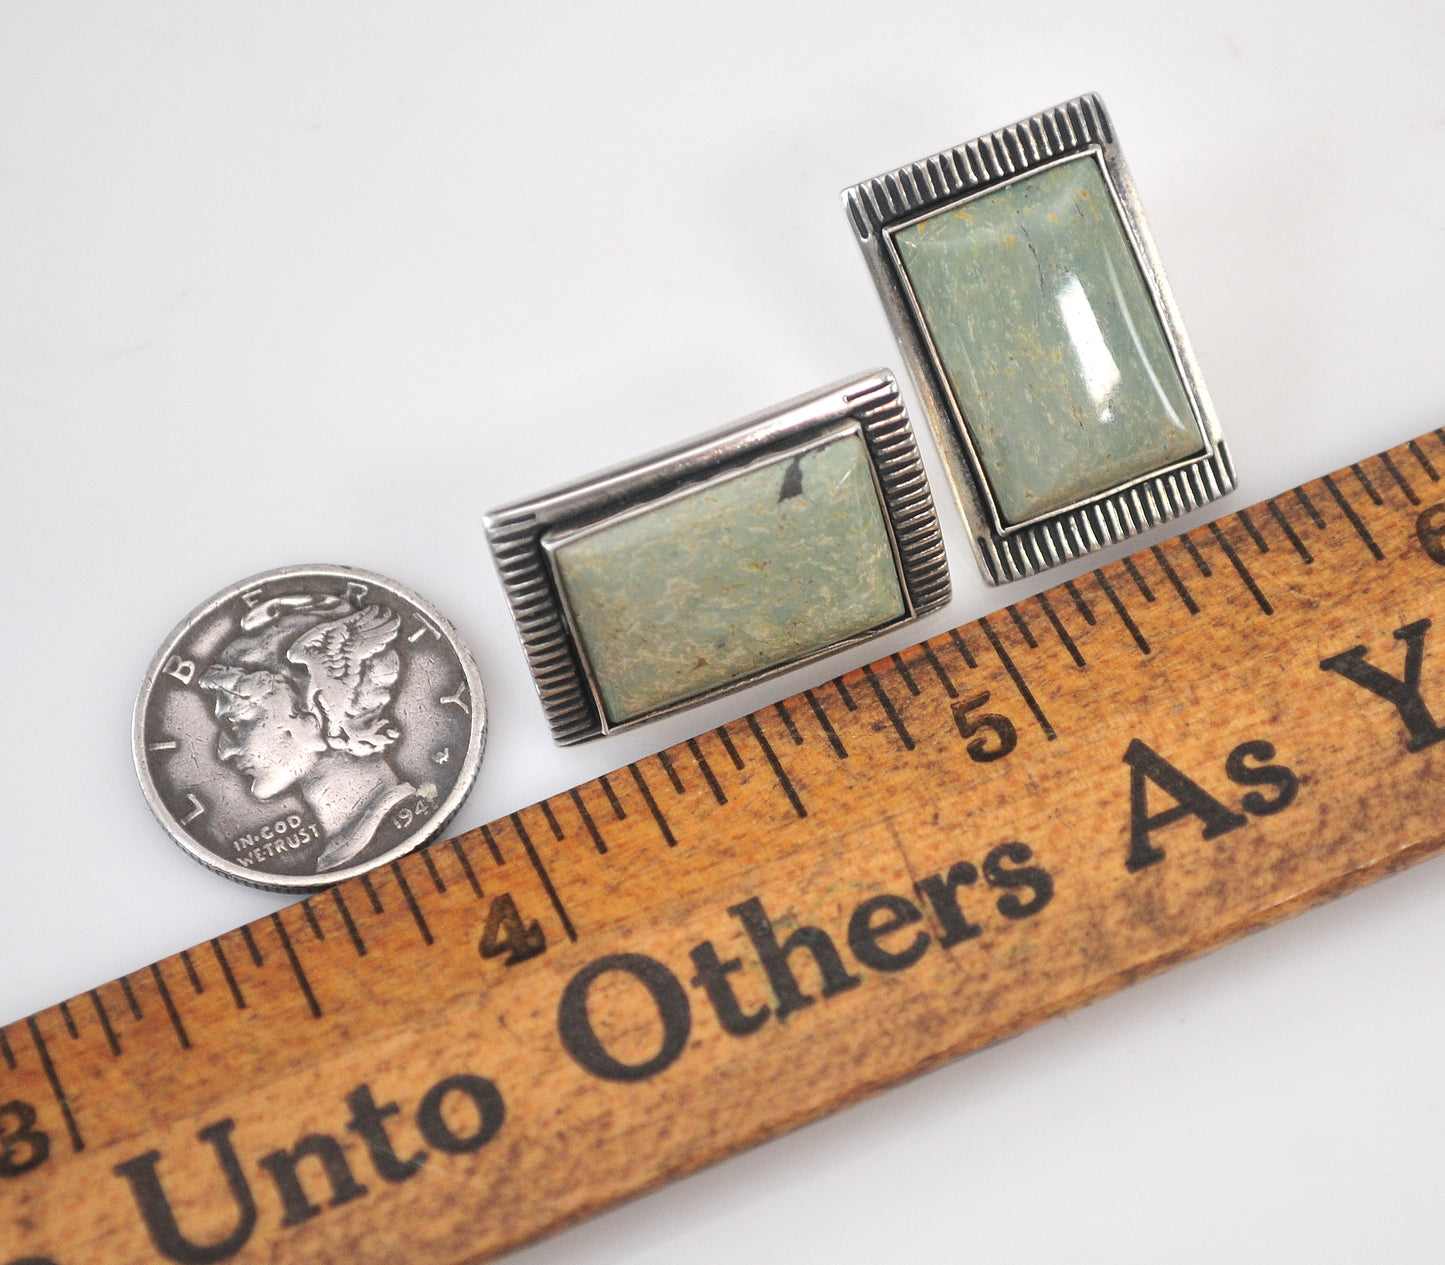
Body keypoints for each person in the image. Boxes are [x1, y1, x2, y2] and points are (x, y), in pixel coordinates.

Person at [198, 593, 417, 872]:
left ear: (310, 710)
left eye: (237, 722)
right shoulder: (339, 850)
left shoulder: (394, 820)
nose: (224, 750)